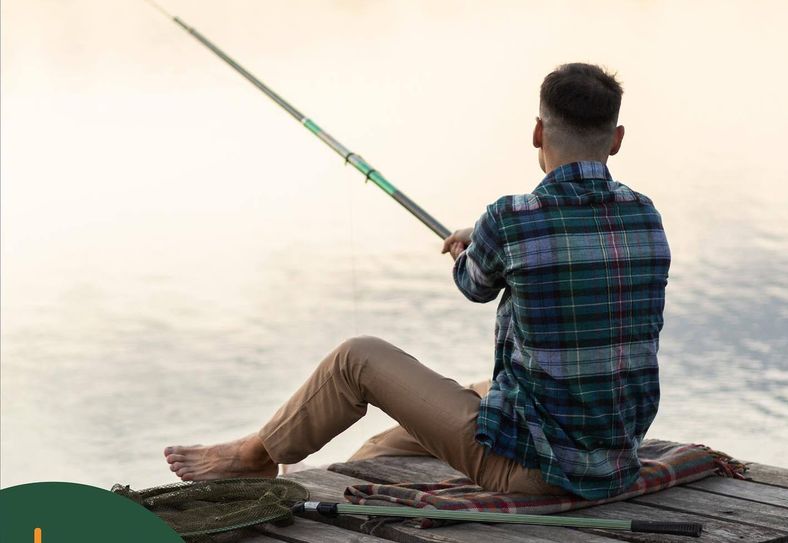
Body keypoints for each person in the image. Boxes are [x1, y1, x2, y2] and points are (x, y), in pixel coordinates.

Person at [164, 63, 670, 500]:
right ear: (617, 138)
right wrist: (487, 236)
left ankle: (254, 455)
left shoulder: (511, 219)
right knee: (435, 414)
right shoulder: (646, 217)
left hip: (536, 473)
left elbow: (473, 283)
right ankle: (340, 464)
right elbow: (565, 245)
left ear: (538, 132)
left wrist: (472, 244)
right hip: (615, 460)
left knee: (355, 359)